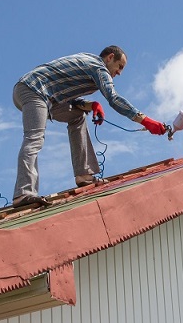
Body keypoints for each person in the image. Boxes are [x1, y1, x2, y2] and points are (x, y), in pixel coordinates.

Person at [12, 45, 167, 207]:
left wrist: (92, 106)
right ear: (110, 57)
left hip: (46, 96)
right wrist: (146, 121)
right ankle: (24, 193)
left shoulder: (89, 62)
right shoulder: (99, 67)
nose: (119, 72)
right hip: (33, 89)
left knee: (77, 116)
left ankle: (84, 175)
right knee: (34, 138)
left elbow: (68, 98)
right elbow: (113, 98)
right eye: (119, 66)